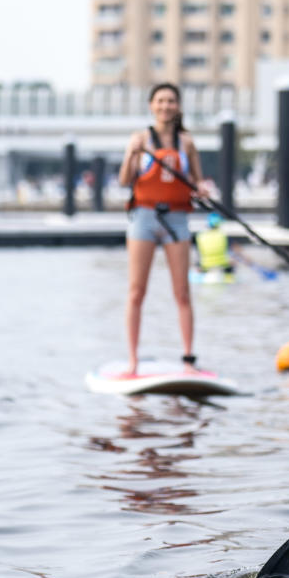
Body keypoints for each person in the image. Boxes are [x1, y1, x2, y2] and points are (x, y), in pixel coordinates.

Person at [118, 83, 212, 375]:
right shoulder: (140, 139)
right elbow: (124, 181)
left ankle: (188, 360)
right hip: (144, 218)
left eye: (171, 101)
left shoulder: (187, 143)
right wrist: (132, 155)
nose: (165, 106)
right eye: (160, 101)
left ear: (178, 106)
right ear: (151, 105)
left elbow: (198, 184)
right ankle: (133, 361)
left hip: (176, 221)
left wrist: (203, 189)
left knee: (182, 292)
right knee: (136, 291)